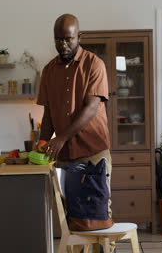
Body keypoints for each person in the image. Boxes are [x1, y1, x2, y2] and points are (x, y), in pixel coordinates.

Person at [37, 14, 115, 253]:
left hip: (93, 153)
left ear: (79, 37)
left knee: (96, 218)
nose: (63, 44)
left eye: (68, 39)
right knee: (72, 221)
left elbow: (91, 108)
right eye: (58, 39)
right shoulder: (49, 70)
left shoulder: (95, 64)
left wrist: (59, 138)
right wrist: (41, 143)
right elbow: (48, 113)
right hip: (65, 157)